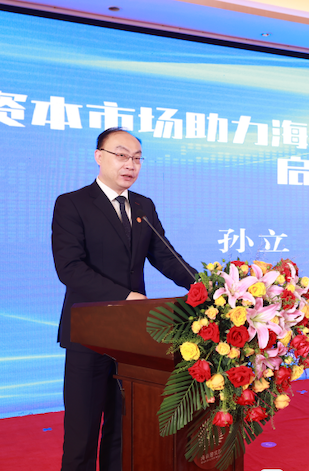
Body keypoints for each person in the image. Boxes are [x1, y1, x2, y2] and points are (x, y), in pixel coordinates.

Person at [51, 127, 196, 471]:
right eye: (121, 155)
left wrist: (207, 288)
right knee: (82, 433)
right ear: (99, 156)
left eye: (137, 158)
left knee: (123, 430)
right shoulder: (72, 203)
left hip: (132, 340)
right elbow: (70, 268)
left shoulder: (144, 206)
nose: (130, 164)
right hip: (88, 334)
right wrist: (125, 296)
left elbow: (166, 257)